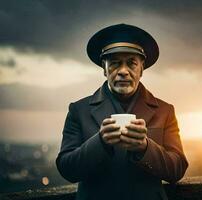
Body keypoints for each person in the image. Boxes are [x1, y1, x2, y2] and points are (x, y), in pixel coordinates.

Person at [56, 24, 189, 200]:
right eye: (115, 63)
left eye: (131, 63)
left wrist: (145, 148)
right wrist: (100, 142)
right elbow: (67, 169)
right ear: (104, 69)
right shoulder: (78, 110)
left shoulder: (165, 111)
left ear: (142, 69)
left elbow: (177, 169)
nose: (123, 71)